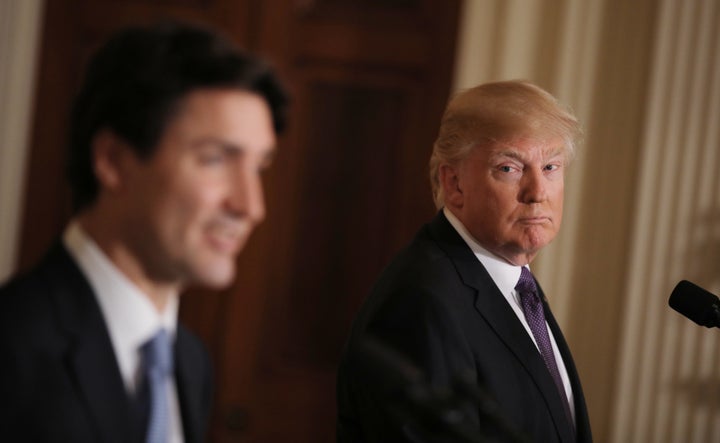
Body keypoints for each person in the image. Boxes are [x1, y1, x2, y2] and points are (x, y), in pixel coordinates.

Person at [0, 21, 288, 443]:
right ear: (113, 161)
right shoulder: (12, 347)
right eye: (215, 159)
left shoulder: (191, 362)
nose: (250, 207)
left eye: (259, 166)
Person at [337, 80, 592, 443]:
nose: (537, 193)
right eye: (509, 168)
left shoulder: (516, 283)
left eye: (551, 166)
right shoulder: (423, 301)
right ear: (454, 183)